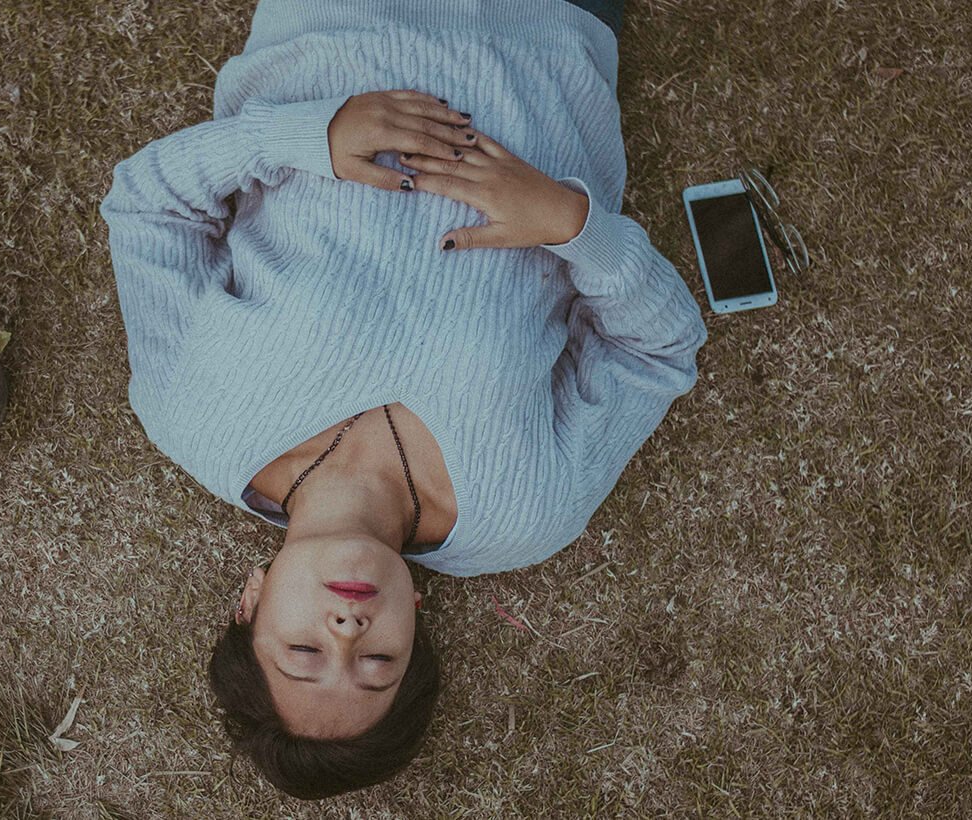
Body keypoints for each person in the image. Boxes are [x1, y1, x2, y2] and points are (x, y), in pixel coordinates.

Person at [99, 0, 704, 800]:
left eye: (305, 655)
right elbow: (657, 352)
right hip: (552, 28)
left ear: (250, 604)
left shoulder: (188, 416)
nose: (347, 633)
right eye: (377, 664)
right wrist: (568, 222)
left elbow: (147, 205)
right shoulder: (527, 517)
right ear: (415, 628)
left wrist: (306, 135)